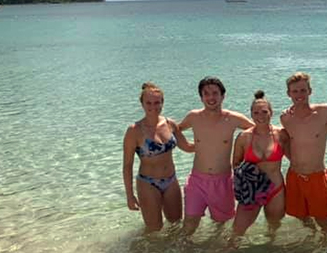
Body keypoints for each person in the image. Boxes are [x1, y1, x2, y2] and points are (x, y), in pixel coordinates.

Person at [178, 77, 254, 235]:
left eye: (215, 93)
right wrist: (187, 147)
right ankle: (182, 250)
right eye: (206, 94)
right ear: (201, 97)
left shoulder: (233, 119)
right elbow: (173, 131)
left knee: (221, 226)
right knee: (190, 224)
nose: (211, 97)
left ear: (223, 96)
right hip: (197, 181)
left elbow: (259, 130)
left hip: (223, 182)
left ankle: (216, 251)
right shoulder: (194, 117)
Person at [122, 82, 194, 231]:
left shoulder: (170, 124)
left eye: (157, 102)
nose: (153, 106)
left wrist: (211, 140)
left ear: (162, 102)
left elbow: (187, 147)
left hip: (171, 180)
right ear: (142, 104)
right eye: (148, 103)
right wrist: (130, 195)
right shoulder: (134, 131)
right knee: (154, 230)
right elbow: (127, 165)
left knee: (176, 224)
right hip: (148, 183)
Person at [280, 72, 327, 230]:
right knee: (301, 216)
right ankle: (312, 237)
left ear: (310, 91)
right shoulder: (286, 118)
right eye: (295, 91)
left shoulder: (325, 112)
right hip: (294, 175)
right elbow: (286, 141)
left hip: (316, 176)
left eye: (303, 90)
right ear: (288, 94)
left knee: (324, 221)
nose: (299, 95)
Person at [231, 90, 290, 236]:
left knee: (273, 230)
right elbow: (236, 163)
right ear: (251, 114)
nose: (260, 116)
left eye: (264, 112)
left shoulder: (281, 134)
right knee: (237, 231)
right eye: (256, 113)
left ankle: (269, 250)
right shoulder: (244, 137)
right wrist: (246, 182)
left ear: (271, 112)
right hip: (252, 190)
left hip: (276, 189)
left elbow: (294, 159)